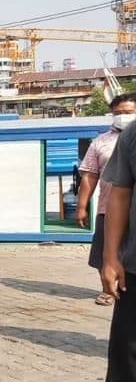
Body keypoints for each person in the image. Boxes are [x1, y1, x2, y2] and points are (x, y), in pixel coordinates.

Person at [99, 98, 136, 382]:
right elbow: (120, 194)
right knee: (127, 363)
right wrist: (111, 257)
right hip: (135, 272)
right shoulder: (133, 136)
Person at [79, 93, 136, 306]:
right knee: (107, 252)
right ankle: (108, 290)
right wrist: (82, 206)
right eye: (118, 113)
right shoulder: (101, 142)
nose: (123, 117)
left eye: (128, 113)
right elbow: (90, 175)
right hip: (108, 207)